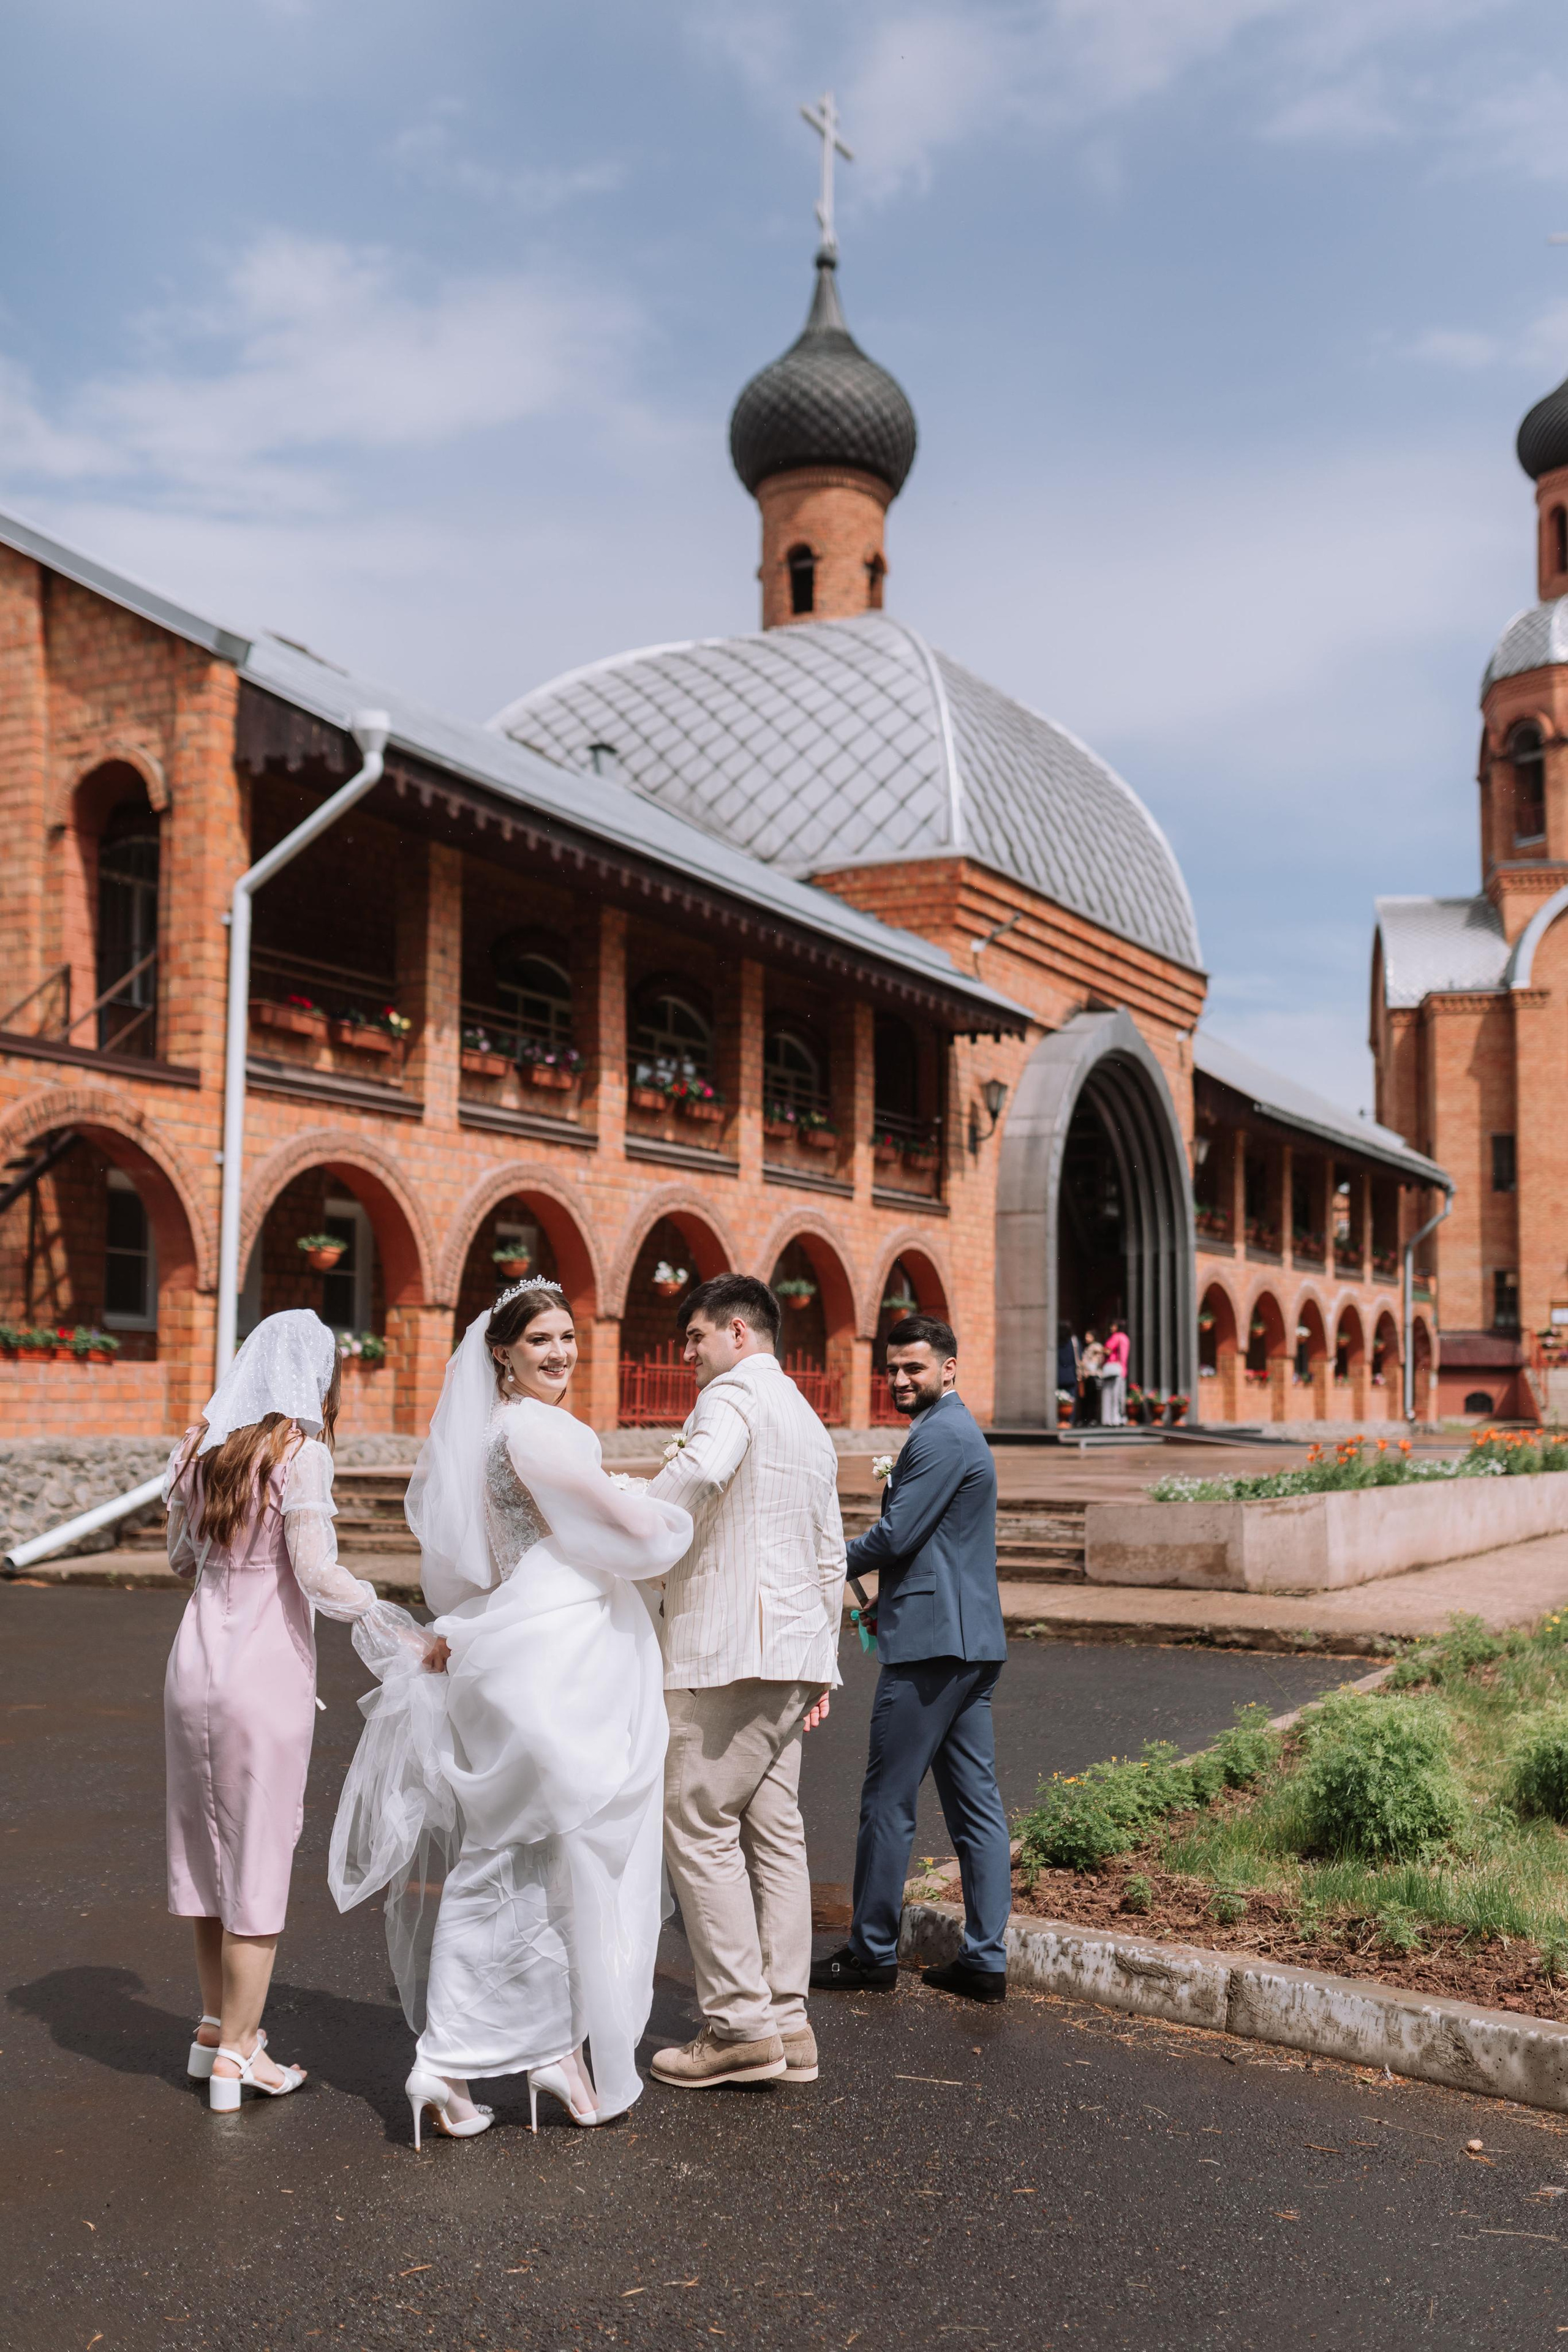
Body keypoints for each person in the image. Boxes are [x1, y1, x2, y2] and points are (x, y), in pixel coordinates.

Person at [330, 1281, 692, 2147]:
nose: (561, 1352)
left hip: (523, 1638)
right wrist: (670, 1509)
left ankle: (546, 2053)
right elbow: (616, 1526)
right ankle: (457, 2056)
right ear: (504, 1352)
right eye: (541, 1340)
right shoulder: (536, 1428)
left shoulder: (493, 1431)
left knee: (540, 1857)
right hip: (559, 1653)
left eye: (569, 1337)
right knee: (550, 1851)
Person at [164, 1309, 439, 2113]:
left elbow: (183, 1559)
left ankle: (217, 2027)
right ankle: (241, 2058)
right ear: (312, 1376)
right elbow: (318, 1576)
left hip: (191, 1666)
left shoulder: (198, 1449)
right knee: (255, 1856)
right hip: (262, 1672)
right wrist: (398, 1626)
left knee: (207, 1848)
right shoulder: (300, 1455)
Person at [644, 1274, 846, 2092]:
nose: (687, 1354)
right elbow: (831, 1552)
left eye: (693, 1337)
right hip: (792, 1653)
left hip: (730, 1648)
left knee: (695, 1820)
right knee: (775, 1831)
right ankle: (788, 2021)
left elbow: (695, 1480)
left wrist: (629, 1525)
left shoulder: (733, 1399)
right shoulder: (808, 1419)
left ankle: (736, 2023)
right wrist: (821, 1660)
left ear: (736, 1332)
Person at [810, 1314, 1011, 2005]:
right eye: (891, 1369)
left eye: (913, 1368)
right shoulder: (945, 1433)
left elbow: (897, 1535)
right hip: (967, 1640)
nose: (899, 1379)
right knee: (974, 1809)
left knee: (887, 1801)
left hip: (932, 1647)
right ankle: (985, 1960)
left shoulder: (944, 1434)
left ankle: (870, 1950)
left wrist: (817, 1563)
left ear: (949, 1369)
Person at [1101, 1320, 1129, 1427]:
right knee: (1119, 1396)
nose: (1111, 1328)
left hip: (1112, 1368)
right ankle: (1119, 1418)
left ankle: (1110, 1419)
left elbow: (1107, 1350)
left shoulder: (1116, 1337)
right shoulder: (1126, 1338)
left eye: (1113, 1325)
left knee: (1109, 1395)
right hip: (1121, 1369)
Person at [1077, 1329, 1106, 1427]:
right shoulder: (1088, 1348)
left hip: (1093, 1375)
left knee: (1092, 1399)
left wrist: (1087, 1366)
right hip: (1087, 1376)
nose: (1086, 1338)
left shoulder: (1096, 1347)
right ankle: (1087, 1419)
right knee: (1086, 1399)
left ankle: (1092, 1419)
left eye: (1089, 1336)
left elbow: (1097, 1360)